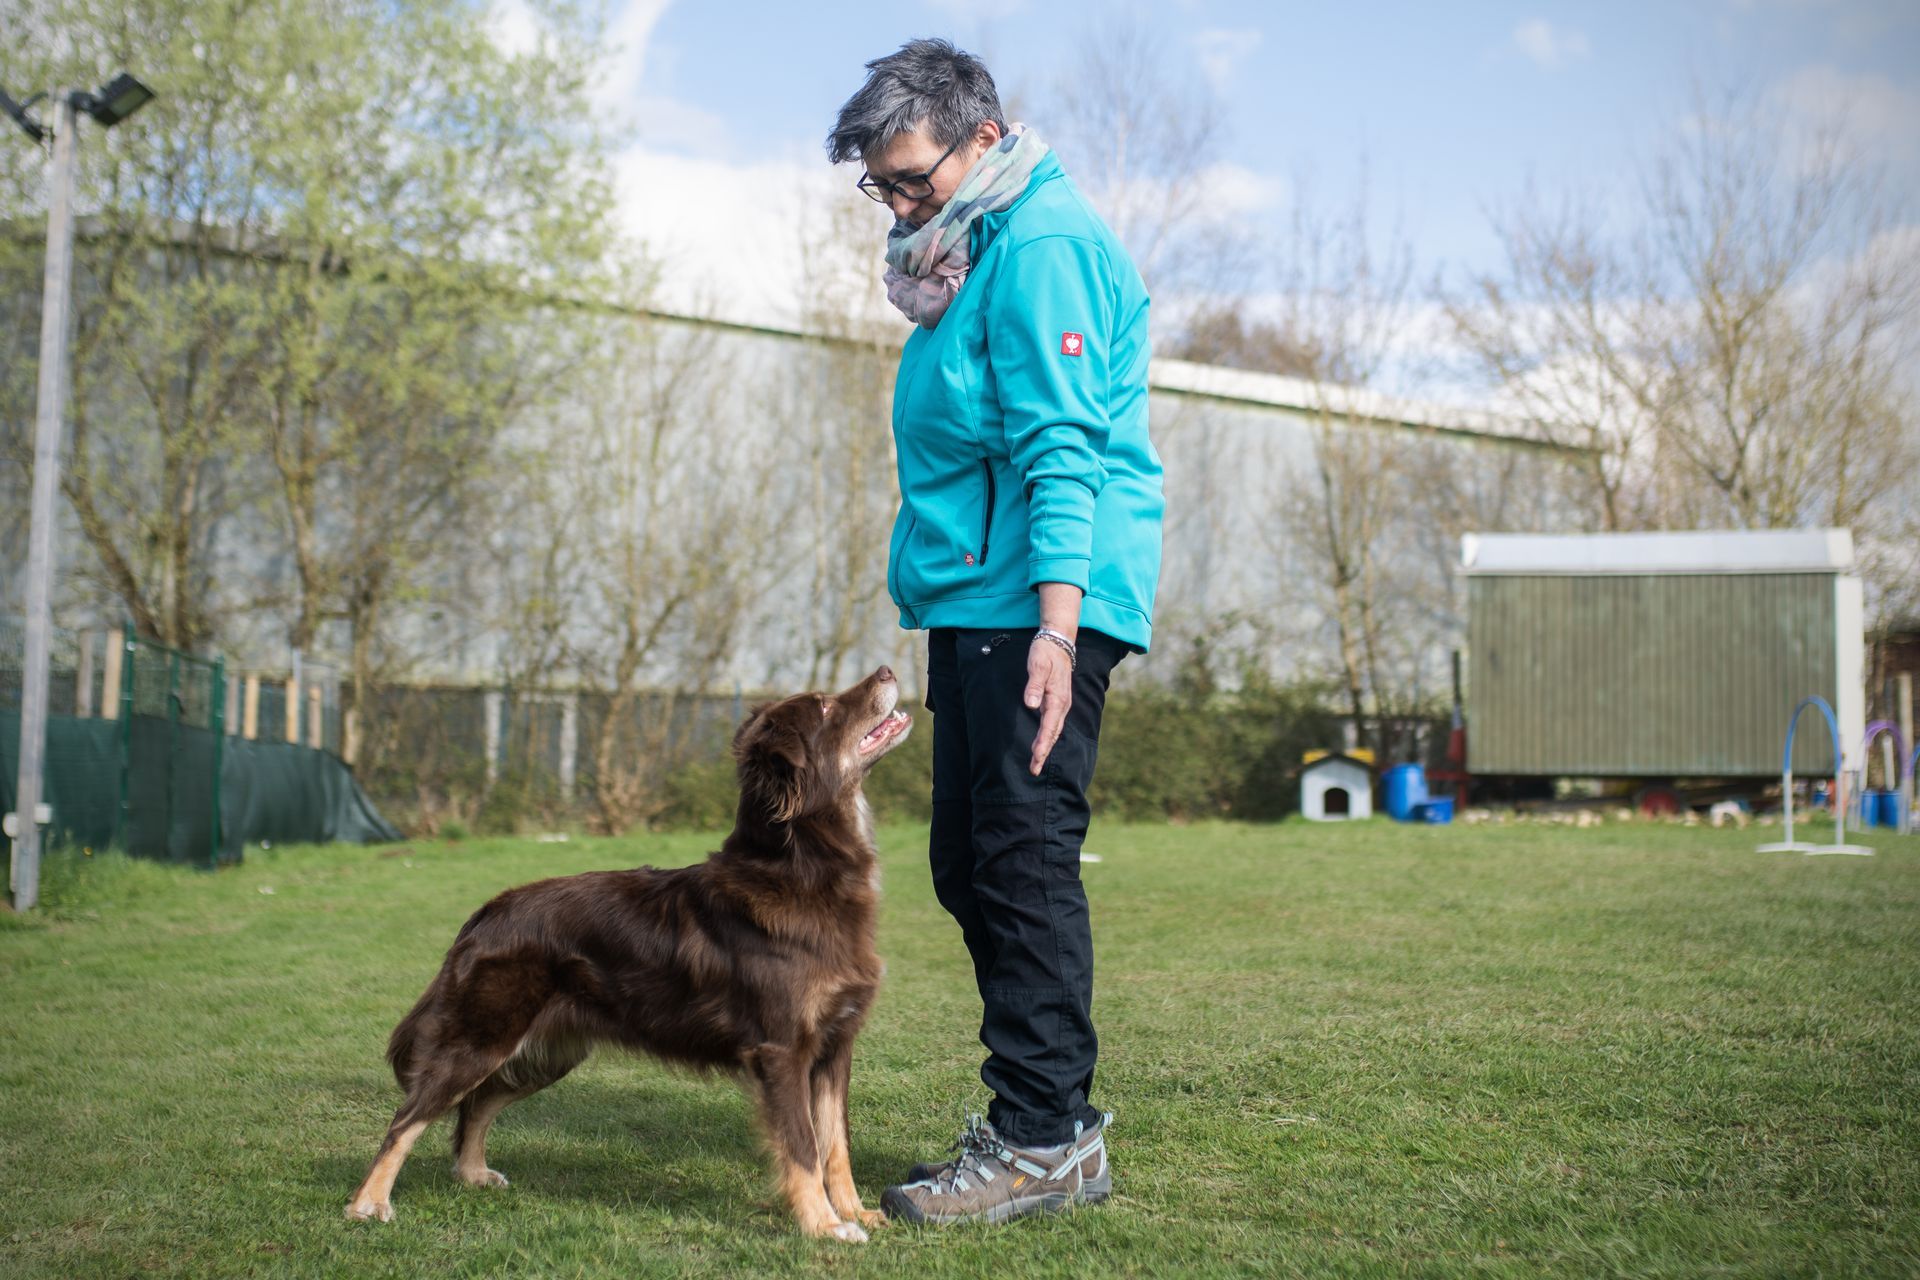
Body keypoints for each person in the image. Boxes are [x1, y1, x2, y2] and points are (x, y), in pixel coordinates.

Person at [826, 37, 1164, 1226]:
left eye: (911, 176)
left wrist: (1059, 632)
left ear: (982, 137)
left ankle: (1044, 1138)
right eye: (882, 186)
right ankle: (1039, 1115)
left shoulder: (1045, 247)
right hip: (982, 600)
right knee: (968, 865)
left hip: (1037, 606)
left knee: (1018, 864)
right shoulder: (970, 248)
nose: (900, 202)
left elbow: (1063, 446)